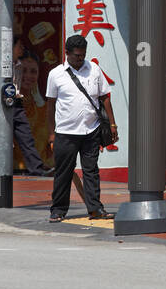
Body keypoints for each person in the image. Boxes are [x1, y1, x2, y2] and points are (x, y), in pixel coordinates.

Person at [47, 34, 118, 222]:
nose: (80, 58)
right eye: (77, 55)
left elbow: (104, 97)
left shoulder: (94, 69)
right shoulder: (56, 74)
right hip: (65, 133)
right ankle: (58, 210)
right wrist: (51, 134)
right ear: (67, 53)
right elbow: (50, 105)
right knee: (64, 173)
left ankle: (95, 208)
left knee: (91, 171)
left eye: (83, 54)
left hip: (91, 131)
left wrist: (112, 123)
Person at [0, 54, 51, 176]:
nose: (21, 49)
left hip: (16, 103)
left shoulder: (18, 65)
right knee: (1, 138)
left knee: (25, 137)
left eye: (34, 71)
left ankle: (36, 168)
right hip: (4, 103)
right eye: (19, 46)